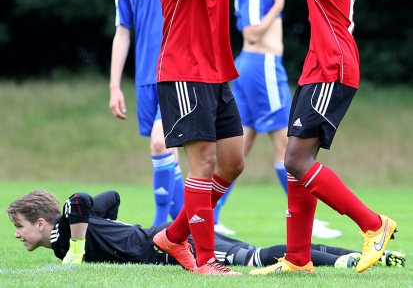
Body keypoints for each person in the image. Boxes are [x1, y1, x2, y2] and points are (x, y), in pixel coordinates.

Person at [218, 0, 398, 275]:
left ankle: (374, 224)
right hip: (323, 66)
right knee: (298, 162)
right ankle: (298, 258)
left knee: (296, 160)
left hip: (331, 67)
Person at [152, 0, 285, 276]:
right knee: (204, 163)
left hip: (216, 74)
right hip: (183, 74)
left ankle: (174, 235)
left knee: (233, 163)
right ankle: (206, 259)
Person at [214, 0, 342, 240]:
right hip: (262, 68)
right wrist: (279, 7)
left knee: (240, 147)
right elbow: (251, 33)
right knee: (287, 145)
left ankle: (210, 216)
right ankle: (305, 218)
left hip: (252, 68)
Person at [7, 190, 406, 270]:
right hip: (160, 238)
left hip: (167, 243)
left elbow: (78, 199)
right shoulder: (66, 235)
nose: (16, 235)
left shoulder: (63, 233)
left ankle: (352, 260)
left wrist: (78, 248)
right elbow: (108, 199)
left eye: (19, 226)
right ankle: (367, 256)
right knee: (262, 253)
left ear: (41, 223)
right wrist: (107, 226)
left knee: (255, 258)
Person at [109, 0, 184, 226]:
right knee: (168, 153)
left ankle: (158, 226)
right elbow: (122, 33)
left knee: (160, 142)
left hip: (177, 74)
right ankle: (187, 227)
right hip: (145, 78)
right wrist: (114, 86)